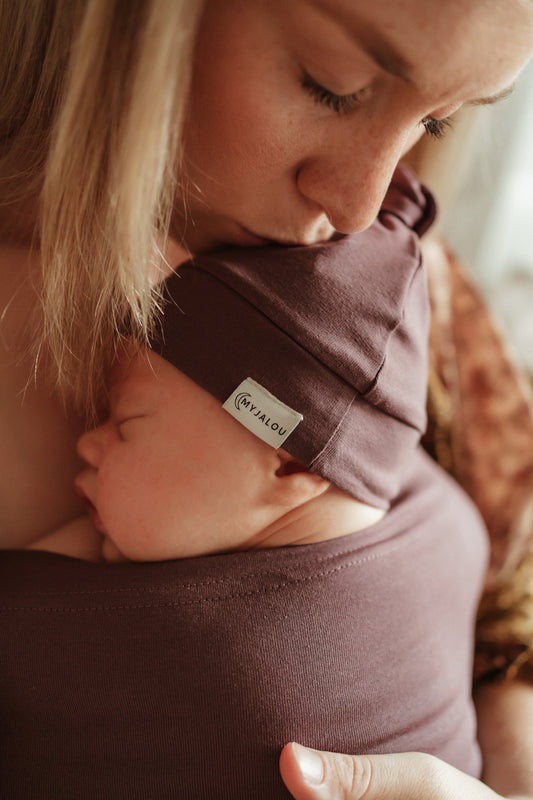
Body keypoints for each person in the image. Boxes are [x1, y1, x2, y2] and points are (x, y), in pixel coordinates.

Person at [1, 1, 533, 798]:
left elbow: (514, 565)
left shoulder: (377, 272)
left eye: (438, 121)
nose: (358, 203)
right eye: (333, 86)